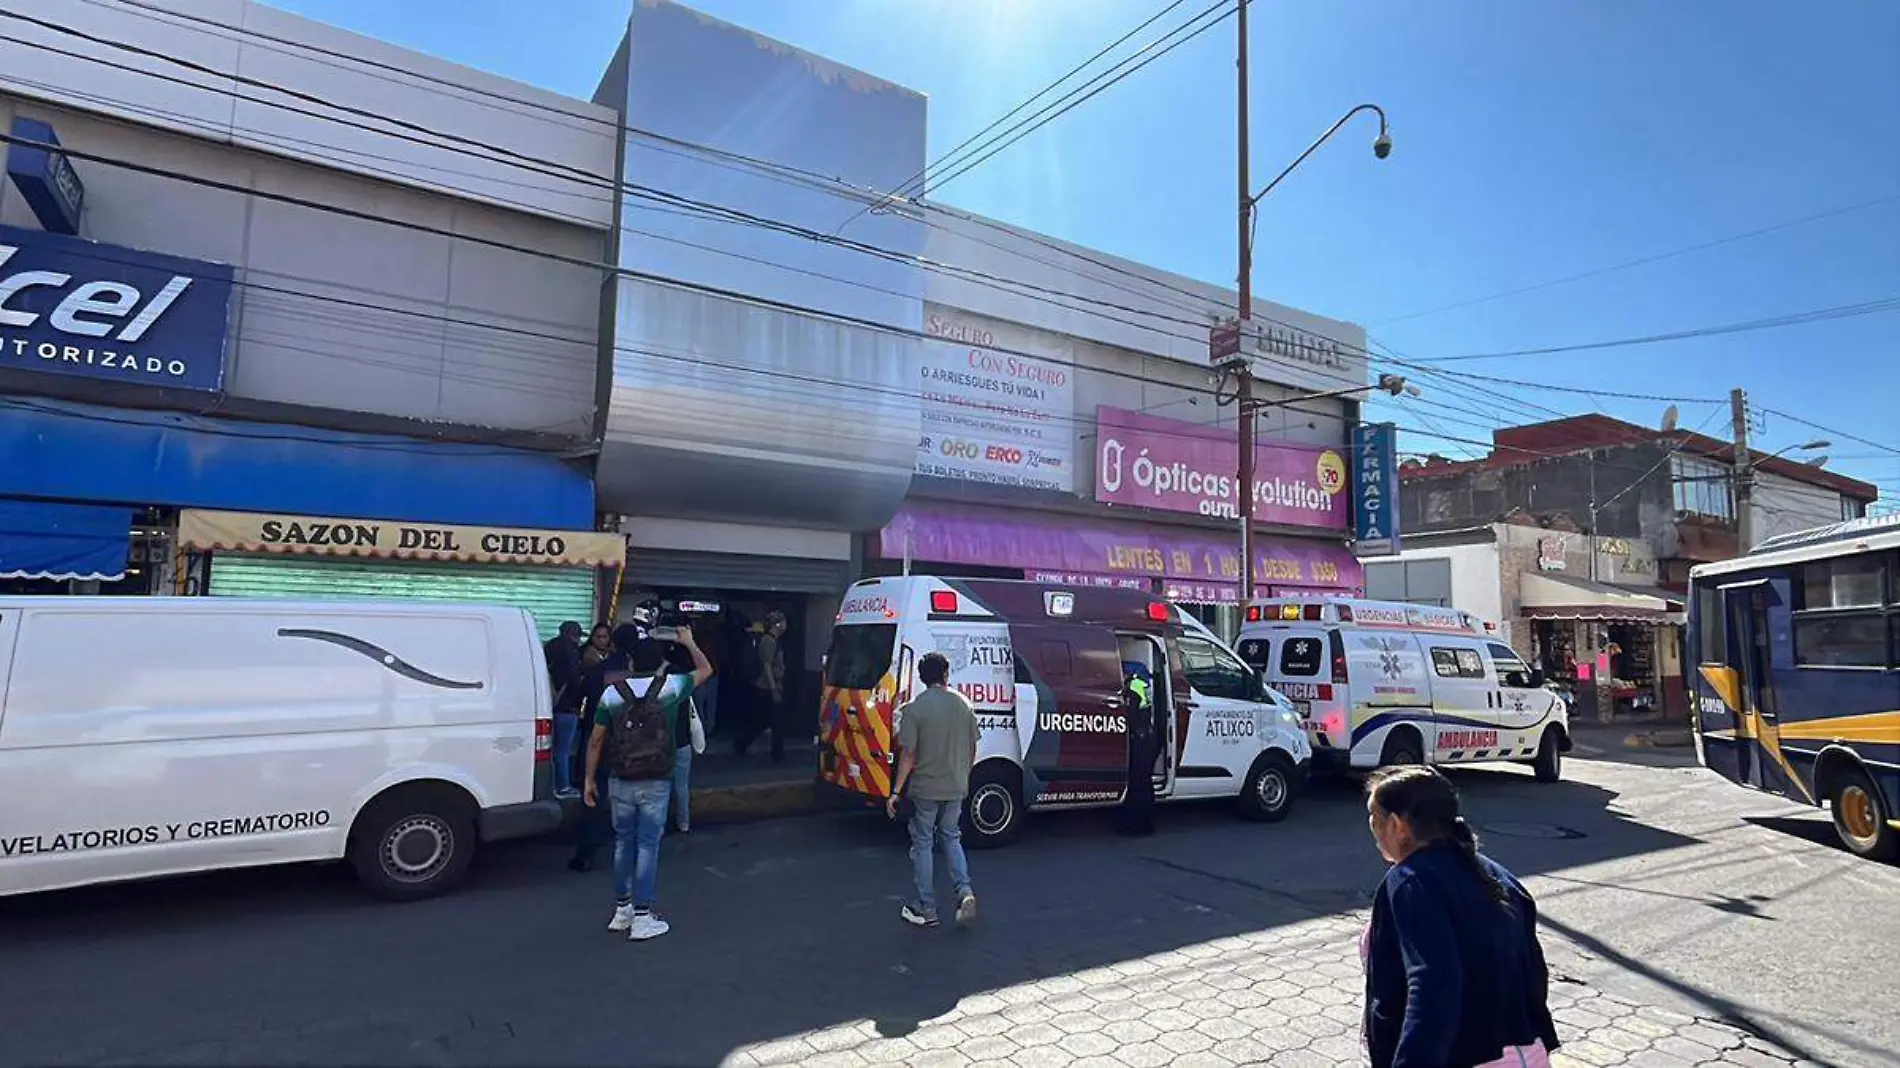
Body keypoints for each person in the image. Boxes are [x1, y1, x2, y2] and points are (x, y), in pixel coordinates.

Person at [1361, 766, 1560, 1068]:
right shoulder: (1498, 875)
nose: (1371, 828)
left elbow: (1432, 984)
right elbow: (1533, 970)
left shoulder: (1411, 881)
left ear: (1398, 825)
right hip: (1522, 1052)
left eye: (1374, 819)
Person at [583, 623, 712, 941]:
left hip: (620, 777)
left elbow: (596, 740)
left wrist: (588, 779)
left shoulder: (613, 692)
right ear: (658, 665)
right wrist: (690, 642)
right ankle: (643, 916)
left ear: (629, 664)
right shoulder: (672, 686)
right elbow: (706, 669)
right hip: (657, 778)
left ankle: (622, 910)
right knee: (647, 845)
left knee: (623, 843)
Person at [886, 652, 979, 929]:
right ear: (946, 674)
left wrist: (895, 792)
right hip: (956, 785)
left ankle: (927, 908)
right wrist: (964, 774)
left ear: (921, 676)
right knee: (951, 837)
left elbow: (909, 755)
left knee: (923, 843)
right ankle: (964, 891)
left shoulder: (915, 709)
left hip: (925, 787)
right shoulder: (964, 705)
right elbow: (973, 748)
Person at [566, 623, 640, 874]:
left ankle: (586, 853)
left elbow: (578, 695)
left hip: (602, 738)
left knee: (594, 792)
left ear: (613, 642)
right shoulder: (643, 672)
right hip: (635, 742)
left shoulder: (601, 670)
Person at [544, 621, 584, 798]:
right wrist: (577, 704)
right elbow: (574, 680)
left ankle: (549, 785)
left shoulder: (549, 647)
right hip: (567, 706)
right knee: (564, 750)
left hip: (547, 704)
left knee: (549, 750)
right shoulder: (572, 651)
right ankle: (563, 786)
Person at [1118, 660, 1157, 837]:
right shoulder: (1143, 684)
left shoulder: (1134, 687)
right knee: (1145, 783)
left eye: (1124, 673)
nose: (1122, 676)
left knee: (1137, 784)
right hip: (1148, 736)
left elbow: (1129, 714)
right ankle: (1147, 823)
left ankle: (1137, 825)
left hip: (1140, 739)